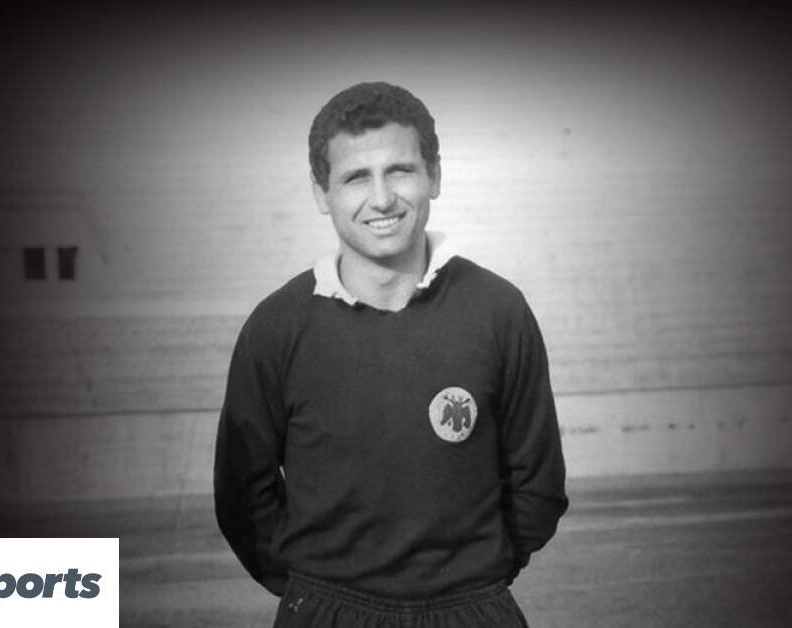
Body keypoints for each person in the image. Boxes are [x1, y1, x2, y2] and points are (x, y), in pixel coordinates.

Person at [214, 81, 568, 627]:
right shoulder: (276, 327)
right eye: (356, 177)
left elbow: (537, 486)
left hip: (472, 607)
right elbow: (243, 496)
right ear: (321, 193)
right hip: (326, 611)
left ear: (434, 176)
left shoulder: (499, 312)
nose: (381, 199)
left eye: (399, 171)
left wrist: (474, 583)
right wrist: (316, 591)